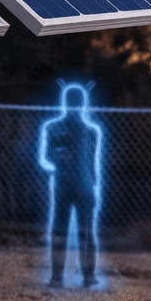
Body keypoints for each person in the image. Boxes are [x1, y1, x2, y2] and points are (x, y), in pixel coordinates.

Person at [38, 81, 103, 288]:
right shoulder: (57, 128)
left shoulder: (89, 131)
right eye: (73, 102)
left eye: (76, 102)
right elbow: (47, 157)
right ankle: (62, 277)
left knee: (78, 231)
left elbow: (91, 160)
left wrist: (93, 184)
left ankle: (81, 276)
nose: (74, 106)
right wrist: (60, 158)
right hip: (70, 185)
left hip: (77, 186)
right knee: (65, 231)